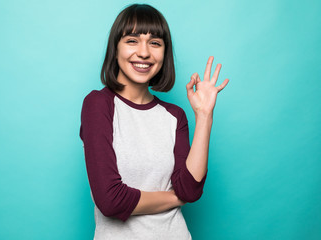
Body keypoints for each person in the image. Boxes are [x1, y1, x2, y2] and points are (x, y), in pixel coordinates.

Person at [79, 3, 229, 240]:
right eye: (132, 40)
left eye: (155, 43)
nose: (144, 52)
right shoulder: (98, 104)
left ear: (164, 54)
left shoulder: (174, 116)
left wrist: (204, 116)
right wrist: (173, 198)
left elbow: (189, 189)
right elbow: (110, 201)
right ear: (115, 49)